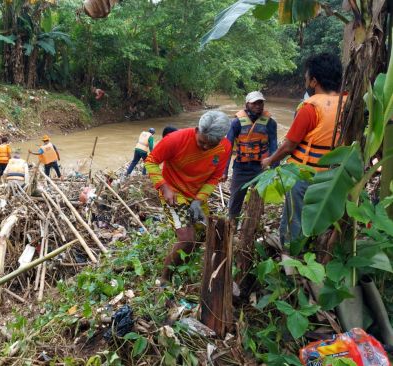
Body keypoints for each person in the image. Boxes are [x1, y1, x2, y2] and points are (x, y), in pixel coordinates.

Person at [261, 53, 343, 245]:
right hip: (335, 174)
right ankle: (318, 247)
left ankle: (289, 257)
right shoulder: (348, 103)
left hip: (305, 174)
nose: (305, 80)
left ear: (314, 81)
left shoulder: (309, 108)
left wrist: (270, 160)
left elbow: (289, 146)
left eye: (306, 77)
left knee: (294, 218)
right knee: (324, 214)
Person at [145, 111, 232, 284]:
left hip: (197, 195)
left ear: (221, 139)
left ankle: (183, 264)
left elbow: (214, 177)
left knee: (203, 234)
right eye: (202, 142)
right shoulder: (176, 139)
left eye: (211, 144)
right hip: (174, 193)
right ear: (197, 130)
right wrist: (164, 187)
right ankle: (165, 278)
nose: (205, 148)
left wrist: (198, 201)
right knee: (187, 238)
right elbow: (151, 160)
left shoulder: (225, 147)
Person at [223, 91, 278, 222]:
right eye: (254, 103)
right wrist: (224, 171)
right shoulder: (236, 123)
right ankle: (232, 226)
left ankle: (252, 226)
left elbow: (274, 146)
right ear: (247, 104)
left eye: (260, 103)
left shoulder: (270, 123)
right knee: (235, 200)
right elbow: (227, 147)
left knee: (257, 202)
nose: (258, 106)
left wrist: (275, 168)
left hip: (261, 168)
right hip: (241, 168)